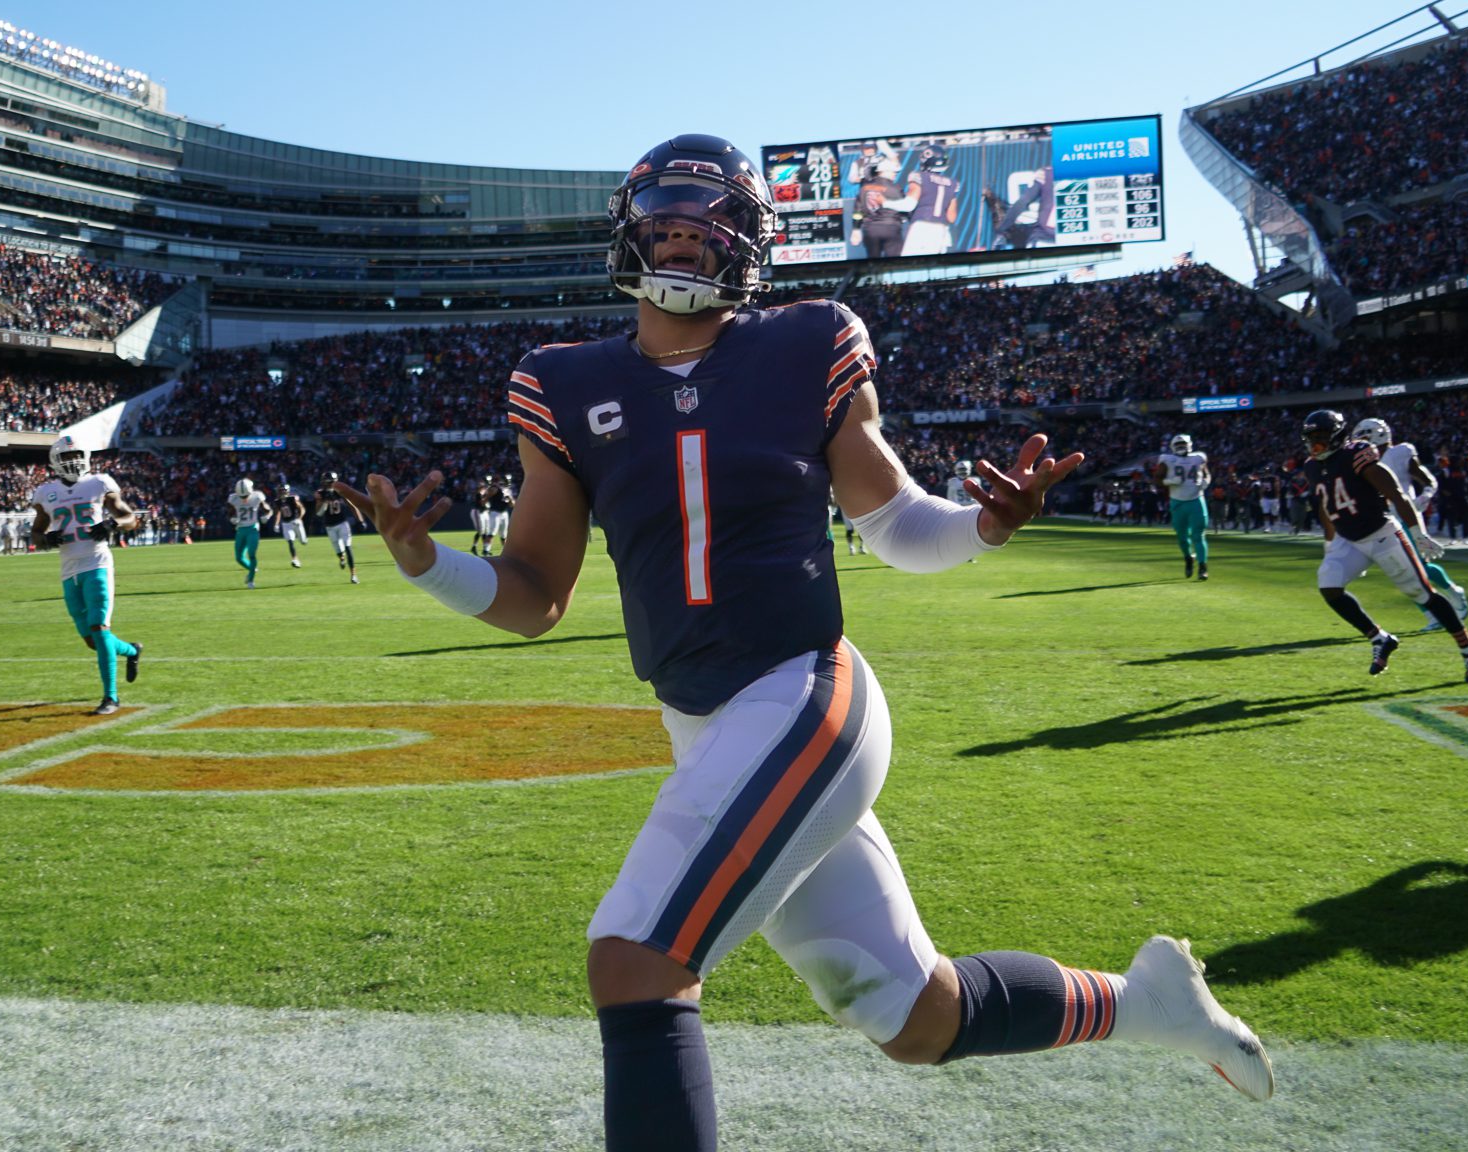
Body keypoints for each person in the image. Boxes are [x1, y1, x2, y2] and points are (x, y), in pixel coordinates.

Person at [338, 133, 1272, 1152]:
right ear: (627, 238)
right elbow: (534, 598)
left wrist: (980, 526)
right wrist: (427, 564)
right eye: (666, 231)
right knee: (917, 1018)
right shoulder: (562, 382)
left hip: (803, 694)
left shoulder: (805, 342)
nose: (684, 249)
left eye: (706, 233)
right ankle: (1145, 1004)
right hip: (699, 723)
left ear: (745, 244)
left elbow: (895, 523)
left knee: (635, 958)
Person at [1301, 409, 1468, 682]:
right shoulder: (1312, 466)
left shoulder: (1357, 454)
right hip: (1348, 539)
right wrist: (1330, 542)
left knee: (1422, 594)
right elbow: (1326, 506)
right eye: (1312, 437)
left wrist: (1417, 532)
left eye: (1322, 436)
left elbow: (1396, 493)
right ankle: (1380, 639)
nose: (1317, 443)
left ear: (1337, 435)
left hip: (1381, 533)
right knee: (1329, 585)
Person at [29, 436, 142, 715]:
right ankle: (130, 650)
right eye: (66, 457)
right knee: (91, 639)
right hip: (69, 569)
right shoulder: (46, 492)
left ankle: (111, 697)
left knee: (99, 629)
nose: (73, 461)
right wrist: (46, 539)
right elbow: (36, 533)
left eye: (77, 455)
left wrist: (113, 524)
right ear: (55, 461)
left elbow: (130, 517)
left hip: (97, 562)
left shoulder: (99, 483)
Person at [1352, 418, 1468, 633]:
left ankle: (1453, 591)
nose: (1362, 442)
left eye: (1366, 437)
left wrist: (1427, 494)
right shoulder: (1363, 461)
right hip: (1385, 520)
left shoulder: (1400, 452)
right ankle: (1432, 616)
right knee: (1400, 571)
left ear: (1378, 434)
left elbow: (1428, 479)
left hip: (1407, 516)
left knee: (1419, 567)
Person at [882, 143, 961, 257]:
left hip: (922, 227)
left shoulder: (919, 176)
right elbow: (951, 218)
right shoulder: (953, 184)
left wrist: (884, 202)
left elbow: (909, 204)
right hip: (941, 230)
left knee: (910, 266)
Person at [1157, 434, 1211, 579]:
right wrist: (1169, 481)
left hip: (1196, 500)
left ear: (1190, 444)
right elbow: (1156, 479)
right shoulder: (1166, 459)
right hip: (1177, 501)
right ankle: (1188, 558)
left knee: (1198, 535)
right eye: (1178, 445)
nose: (1181, 447)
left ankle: (1202, 567)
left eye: (1183, 444)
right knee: (1182, 537)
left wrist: (1207, 481)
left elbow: (1206, 474)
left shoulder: (1198, 457)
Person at [315, 471, 361, 584]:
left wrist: (360, 519)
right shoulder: (320, 494)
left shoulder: (340, 492)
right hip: (330, 526)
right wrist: (324, 501)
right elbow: (319, 513)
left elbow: (351, 505)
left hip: (342, 523)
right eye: (329, 482)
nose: (331, 484)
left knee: (348, 547)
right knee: (338, 549)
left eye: (332, 482)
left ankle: (353, 574)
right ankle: (341, 558)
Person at [226, 478, 270, 588]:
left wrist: (267, 516)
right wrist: (232, 518)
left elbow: (269, 510)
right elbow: (230, 513)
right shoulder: (233, 498)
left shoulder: (257, 496)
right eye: (242, 497)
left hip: (253, 529)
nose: (244, 499)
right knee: (239, 558)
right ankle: (252, 568)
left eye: (246, 496)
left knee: (251, 554)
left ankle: (250, 579)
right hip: (240, 530)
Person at [273, 483, 309, 567]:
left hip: (296, 521)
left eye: (283, 491)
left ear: (287, 491)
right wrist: (276, 524)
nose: (281, 492)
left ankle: (304, 540)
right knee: (290, 542)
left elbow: (302, 509)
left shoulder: (292, 499)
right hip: (286, 524)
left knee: (303, 541)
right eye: (280, 491)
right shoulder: (277, 501)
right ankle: (295, 559)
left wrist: (299, 518)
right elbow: (278, 513)